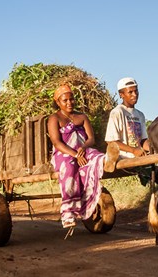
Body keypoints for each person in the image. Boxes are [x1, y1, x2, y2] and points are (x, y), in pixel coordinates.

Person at [105, 77, 158, 239]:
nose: (134, 94)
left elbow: (143, 140)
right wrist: (134, 151)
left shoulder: (139, 115)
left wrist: (155, 149)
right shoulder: (117, 113)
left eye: (136, 91)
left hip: (139, 155)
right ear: (122, 94)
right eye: (130, 92)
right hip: (124, 157)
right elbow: (111, 141)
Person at [48, 83, 107, 229]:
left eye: (71, 99)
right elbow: (56, 143)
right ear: (58, 102)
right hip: (64, 153)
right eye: (65, 100)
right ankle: (68, 213)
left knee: (97, 157)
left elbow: (91, 139)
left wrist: (83, 148)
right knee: (69, 167)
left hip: (82, 150)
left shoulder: (82, 117)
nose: (69, 103)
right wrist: (75, 155)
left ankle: (110, 159)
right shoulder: (54, 118)